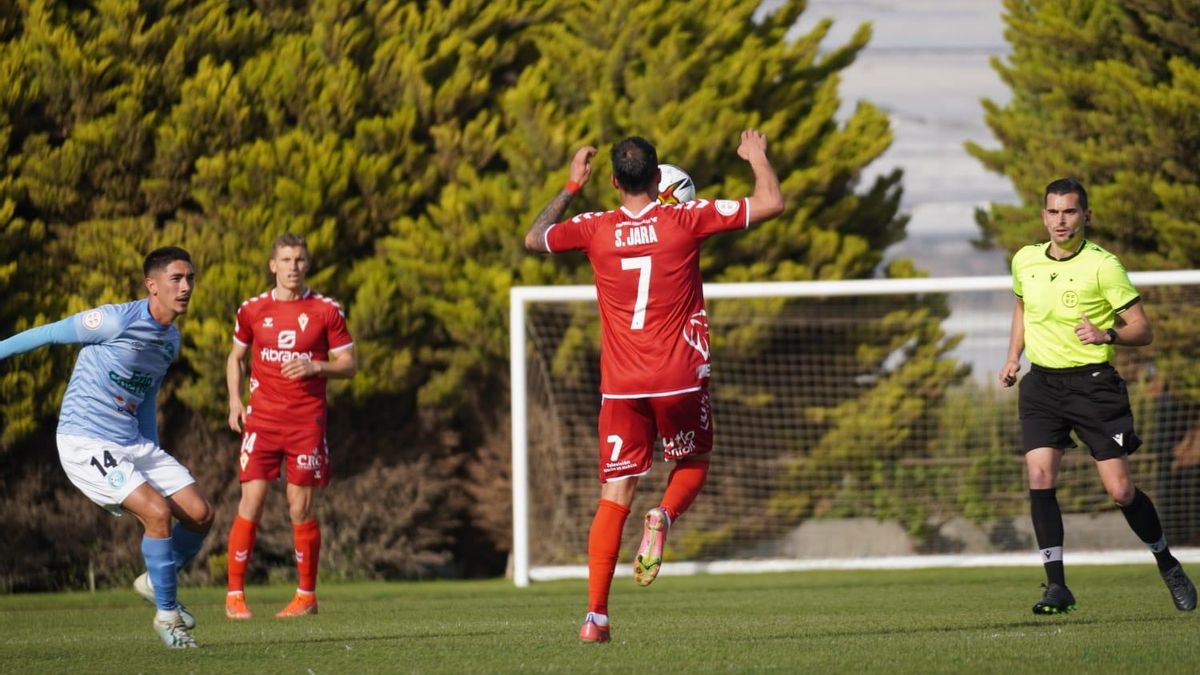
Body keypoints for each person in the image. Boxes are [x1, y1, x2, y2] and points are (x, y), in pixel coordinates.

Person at [524, 130, 784, 642]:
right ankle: (663, 514)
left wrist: (572, 185)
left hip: (621, 386)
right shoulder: (686, 220)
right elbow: (771, 202)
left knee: (614, 493)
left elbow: (535, 236)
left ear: (616, 181)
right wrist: (756, 157)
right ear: (659, 176)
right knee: (692, 462)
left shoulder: (594, 228)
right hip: (680, 377)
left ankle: (595, 618)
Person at [999, 177, 1196, 615]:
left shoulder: (1104, 266)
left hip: (1093, 385)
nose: (1060, 220)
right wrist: (1014, 356)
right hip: (1042, 385)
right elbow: (1022, 308)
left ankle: (1166, 562)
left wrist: (1106, 333)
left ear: (1086, 215)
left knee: (1121, 491)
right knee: (1039, 477)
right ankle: (1057, 587)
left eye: (1069, 212)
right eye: (1053, 212)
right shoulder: (1025, 260)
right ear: (1043, 215)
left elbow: (1143, 329)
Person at [0, 247, 213, 648]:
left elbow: (146, 396)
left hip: (132, 442)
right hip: (85, 439)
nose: (186, 287)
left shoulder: (171, 340)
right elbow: (48, 333)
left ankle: (155, 580)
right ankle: (169, 618)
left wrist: (150, 448)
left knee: (201, 515)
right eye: (176, 279)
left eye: (190, 279)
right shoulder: (115, 320)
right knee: (156, 512)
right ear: (152, 285)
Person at [224, 233, 356, 620]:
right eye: (285, 260)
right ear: (273, 265)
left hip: (306, 424)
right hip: (262, 421)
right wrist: (235, 401)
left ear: (307, 264)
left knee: (300, 509)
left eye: (299, 260)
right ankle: (234, 596)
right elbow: (236, 358)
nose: (292, 267)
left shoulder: (326, 310)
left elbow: (349, 364)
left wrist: (318, 366)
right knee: (252, 502)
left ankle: (306, 596)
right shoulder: (251, 310)